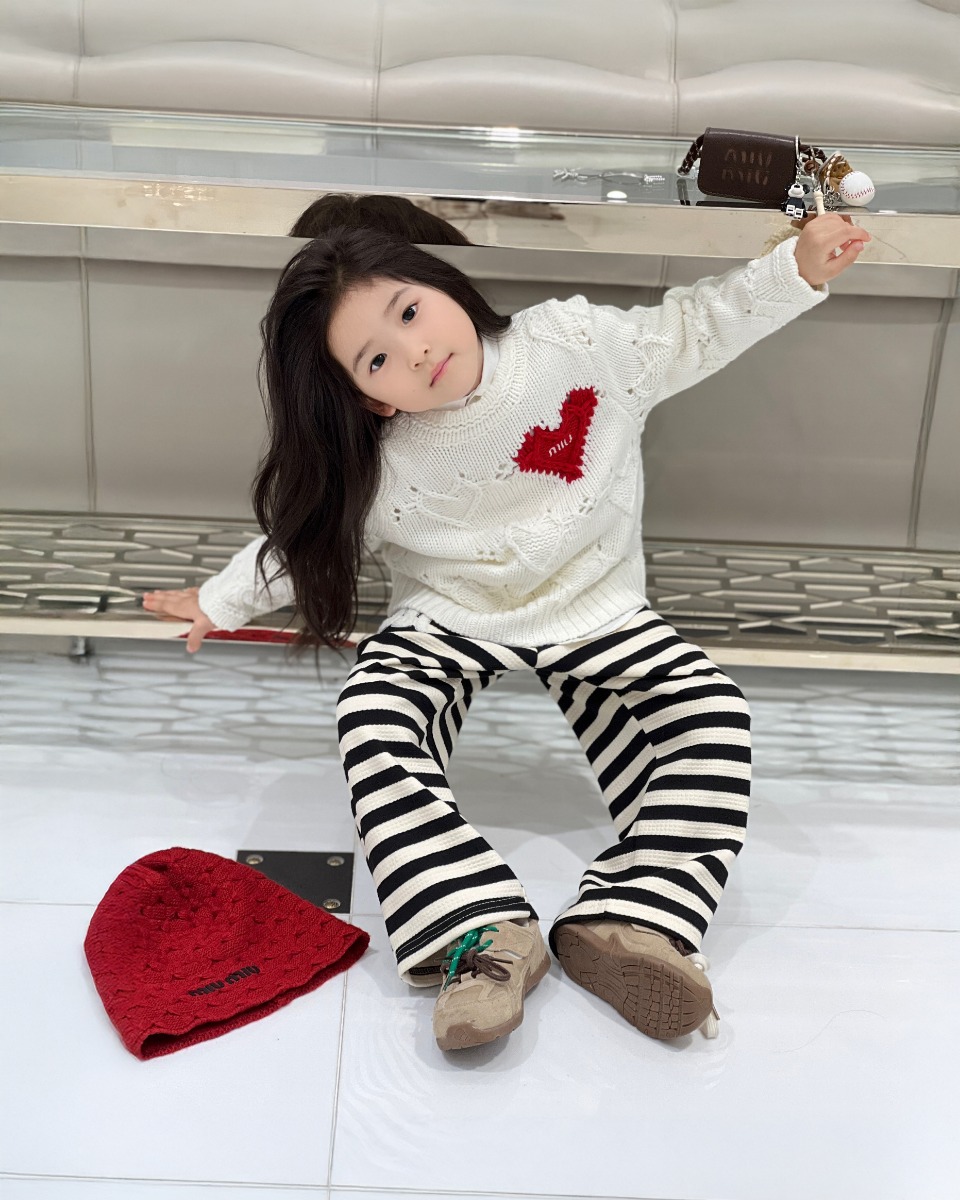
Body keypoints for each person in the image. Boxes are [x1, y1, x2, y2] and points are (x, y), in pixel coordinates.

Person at [143, 208, 871, 1052]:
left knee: (712, 715)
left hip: (595, 604)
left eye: (410, 311)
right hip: (449, 616)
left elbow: (694, 327)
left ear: (443, 287)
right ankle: (479, 935)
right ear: (372, 396)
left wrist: (795, 271)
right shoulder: (378, 458)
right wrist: (218, 600)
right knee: (371, 713)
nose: (416, 350)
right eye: (378, 358)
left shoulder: (573, 342)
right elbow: (305, 543)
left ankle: (634, 918)